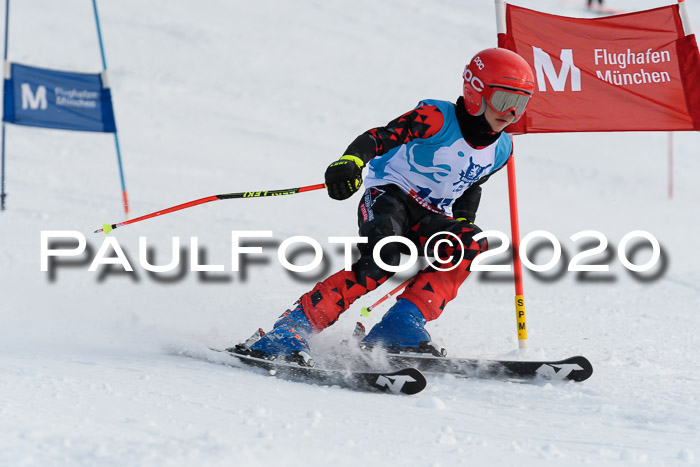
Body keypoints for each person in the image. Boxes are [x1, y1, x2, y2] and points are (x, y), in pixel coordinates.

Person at [232, 48, 535, 366]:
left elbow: (472, 183)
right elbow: (380, 137)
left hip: (430, 216)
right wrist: (352, 161)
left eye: (521, 104)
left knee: (470, 242)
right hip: (390, 197)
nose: (511, 113)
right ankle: (289, 331)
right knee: (383, 258)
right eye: (504, 100)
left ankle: (399, 327)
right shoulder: (437, 118)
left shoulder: (502, 148)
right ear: (476, 91)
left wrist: (463, 220)